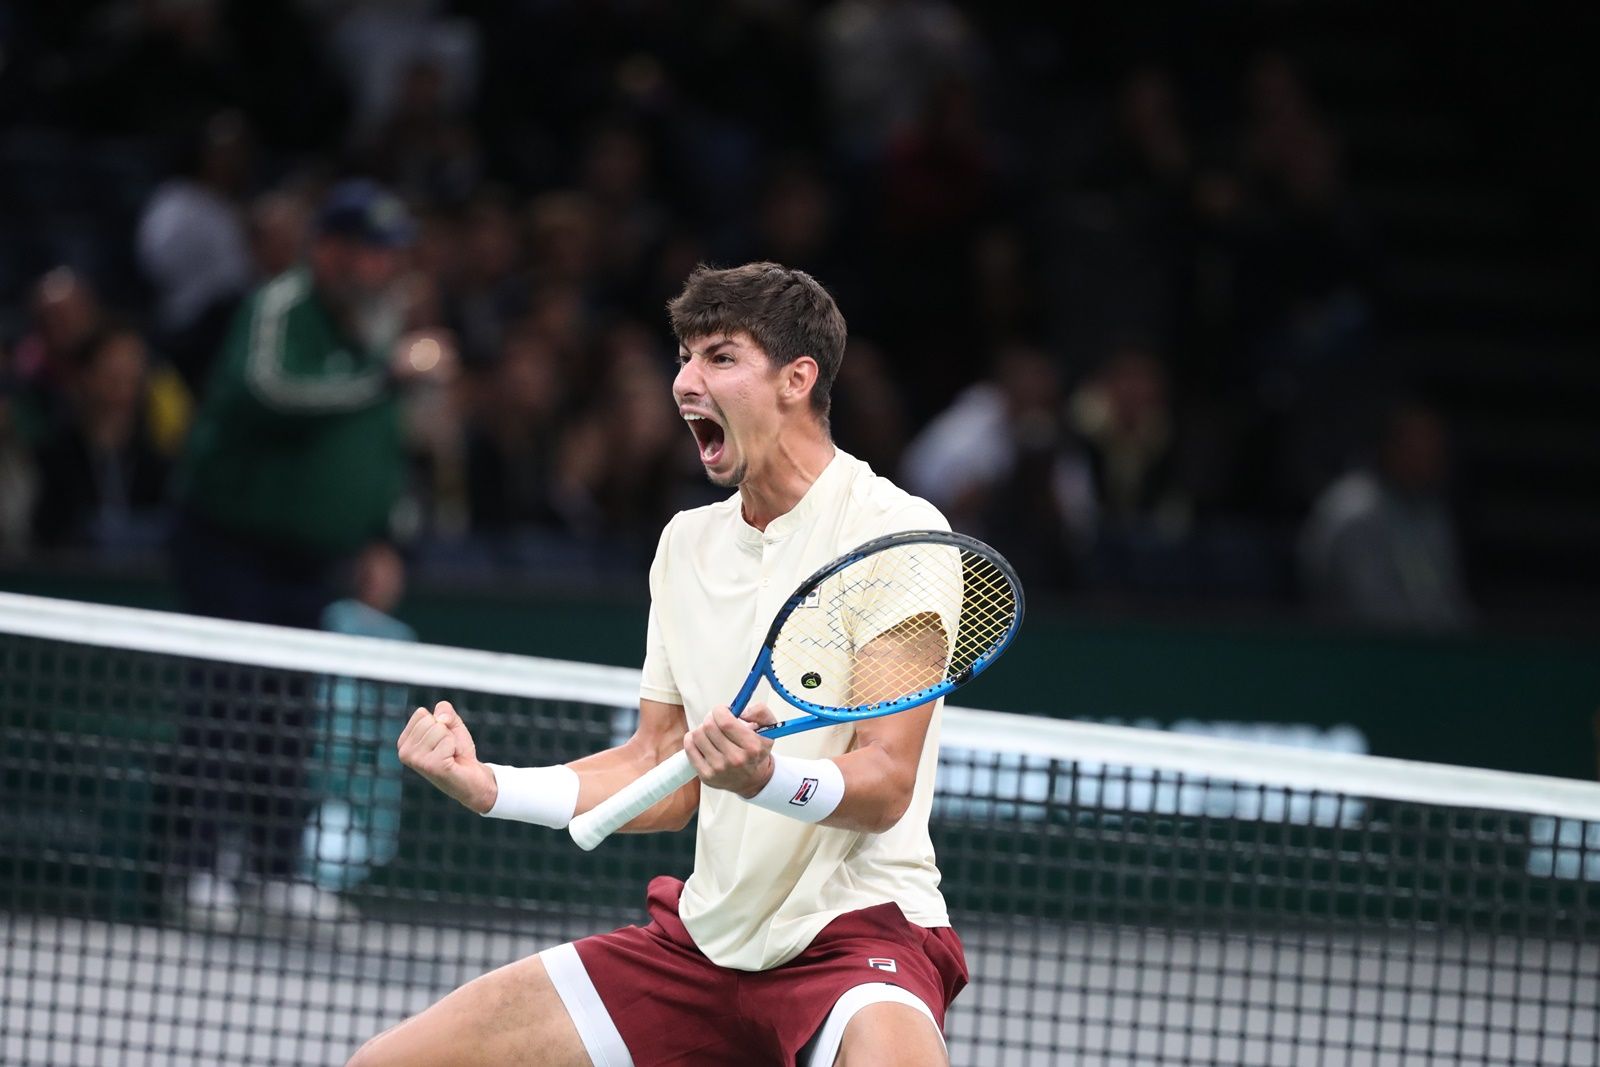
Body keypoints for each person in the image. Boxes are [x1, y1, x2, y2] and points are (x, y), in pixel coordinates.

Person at [350, 263, 967, 1067]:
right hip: (707, 943)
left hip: (857, 934)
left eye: (719, 357)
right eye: (683, 355)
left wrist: (764, 778)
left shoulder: (899, 536)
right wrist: (492, 786)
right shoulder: (685, 545)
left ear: (797, 378)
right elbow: (658, 767)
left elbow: (885, 782)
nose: (683, 382)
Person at [163, 178, 452, 931]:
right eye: (368, 253)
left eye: (391, 255)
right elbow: (268, 390)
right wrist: (380, 378)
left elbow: (380, 445)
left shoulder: (380, 326)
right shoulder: (279, 306)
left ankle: (275, 870)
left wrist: (383, 537)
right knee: (224, 698)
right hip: (229, 541)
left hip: (312, 555)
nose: (383, 268)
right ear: (327, 251)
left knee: (290, 711)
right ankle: (196, 868)